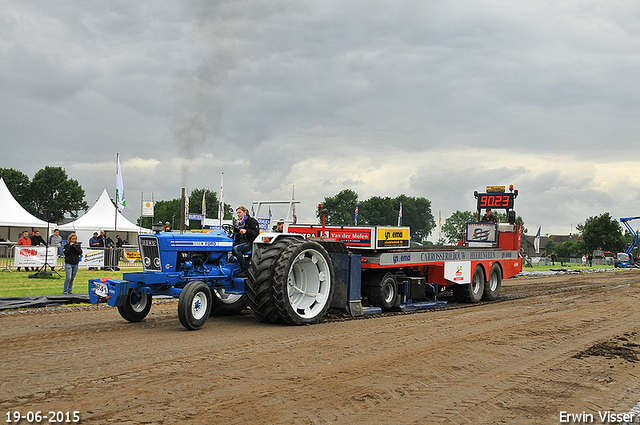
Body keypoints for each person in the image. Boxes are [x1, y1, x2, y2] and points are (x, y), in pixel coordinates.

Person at [232, 206, 260, 276]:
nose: (238, 214)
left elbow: (255, 233)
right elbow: (236, 234)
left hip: (249, 243)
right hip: (240, 242)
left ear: (245, 212)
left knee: (235, 249)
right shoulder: (238, 223)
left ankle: (244, 269)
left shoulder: (252, 221)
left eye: (239, 213)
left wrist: (246, 231)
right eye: (237, 213)